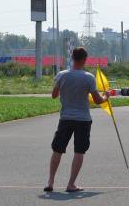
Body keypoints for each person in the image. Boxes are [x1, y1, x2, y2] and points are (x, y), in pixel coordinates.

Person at [45, 47, 111, 193]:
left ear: (72, 58)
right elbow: (97, 100)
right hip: (83, 119)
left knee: (57, 149)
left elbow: (54, 95)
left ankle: (50, 181)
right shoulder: (88, 77)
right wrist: (106, 96)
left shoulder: (62, 75)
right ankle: (71, 184)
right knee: (79, 151)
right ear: (85, 59)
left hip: (65, 118)